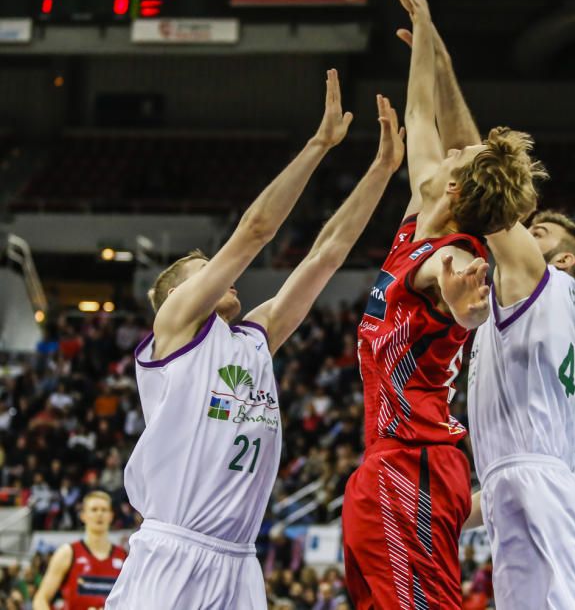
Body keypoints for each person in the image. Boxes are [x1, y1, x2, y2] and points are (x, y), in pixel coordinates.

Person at [106, 73, 406, 609]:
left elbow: (325, 256)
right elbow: (255, 231)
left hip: (240, 560)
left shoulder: (253, 338)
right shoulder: (174, 328)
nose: (226, 277)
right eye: (206, 272)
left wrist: (382, 171)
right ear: (177, 294)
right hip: (175, 551)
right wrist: (318, 146)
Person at [343, 0, 543, 608]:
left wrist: (472, 287)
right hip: (384, 466)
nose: (450, 145)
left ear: (454, 186)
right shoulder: (416, 226)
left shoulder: (451, 256)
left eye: (462, 152)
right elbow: (421, 116)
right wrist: (422, 20)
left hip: (419, 467)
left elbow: (467, 289)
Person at [464, 207, 575, 608]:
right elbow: (517, 467)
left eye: (537, 232)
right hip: (563, 496)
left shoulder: (542, 286)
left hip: (544, 499)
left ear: (564, 259)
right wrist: (443, 512)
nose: (525, 235)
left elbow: (492, 210)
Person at [33, 491, 126, 610]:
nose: (99, 514)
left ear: (111, 516)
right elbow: (40, 599)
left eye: (104, 510)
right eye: (94, 509)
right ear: (83, 516)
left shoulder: (124, 556)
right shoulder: (68, 553)